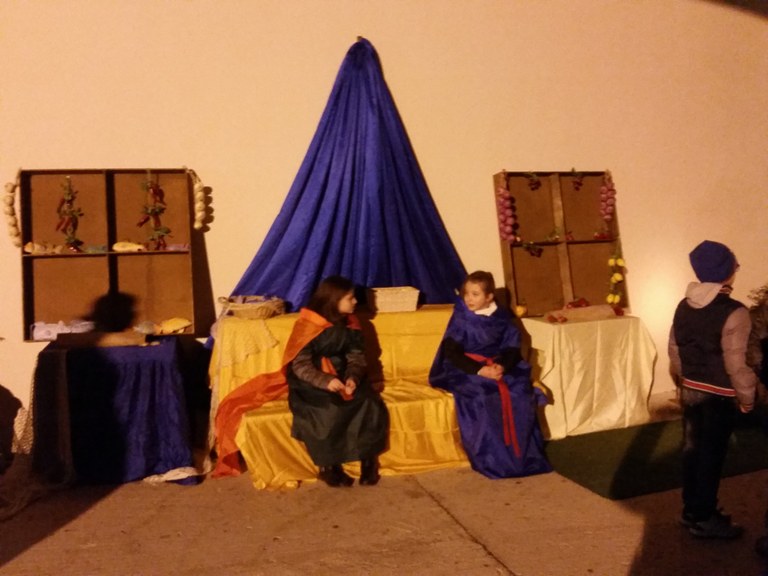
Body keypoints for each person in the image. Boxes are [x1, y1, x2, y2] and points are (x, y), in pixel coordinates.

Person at [668, 240, 757, 539]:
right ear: (727, 271)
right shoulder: (735, 312)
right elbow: (737, 364)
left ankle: (691, 511)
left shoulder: (683, 306)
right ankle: (705, 517)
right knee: (711, 456)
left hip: (691, 391)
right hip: (719, 396)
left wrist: (687, 379)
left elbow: (675, 350)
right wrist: (747, 398)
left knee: (692, 451)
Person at [429, 270, 551, 479]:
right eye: (466, 293)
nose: (469, 298)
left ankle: (523, 457)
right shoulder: (461, 316)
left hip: (497, 366)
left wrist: (502, 366)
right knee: (484, 396)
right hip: (466, 369)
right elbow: (452, 352)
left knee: (519, 393)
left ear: (489, 297)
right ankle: (492, 460)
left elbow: (512, 347)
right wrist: (480, 370)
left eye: (475, 294)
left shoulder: (502, 317)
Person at [286, 276, 389, 487]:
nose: (355, 302)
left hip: (343, 374)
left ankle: (368, 461)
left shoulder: (351, 322)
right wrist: (325, 381)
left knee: (368, 402)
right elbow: (300, 365)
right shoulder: (308, 325)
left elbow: (356, 357)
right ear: (334, 300)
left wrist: (353, 377)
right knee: (327, 409)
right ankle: (329, 467)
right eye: (350, 298)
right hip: (311, 380)